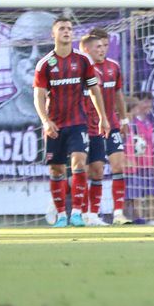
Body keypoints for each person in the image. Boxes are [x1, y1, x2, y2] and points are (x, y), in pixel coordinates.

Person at [32, 16, 110, 228]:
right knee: (57, 170)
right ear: (53, 34)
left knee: (78, 162)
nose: (67, 31)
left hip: (78, 122)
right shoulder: (45, 64)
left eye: (69, 28)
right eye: (62, 28)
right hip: (55, 125)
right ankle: (61, 216)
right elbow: (38, 96)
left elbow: (94, 89)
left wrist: (103, 117)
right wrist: (45, 121)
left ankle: (77, 213)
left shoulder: (83, 61)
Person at [80, 28, 128, 225]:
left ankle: (118, 213)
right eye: (99, 46)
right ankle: (87, 213)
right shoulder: (82, 69)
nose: (103, 50)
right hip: (89, 126)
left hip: (111, 124)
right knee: (91, 170)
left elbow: (118, 95)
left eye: (106, 46)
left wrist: (124, 119)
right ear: (89, 48)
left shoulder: (113, 67)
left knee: (118, 165)